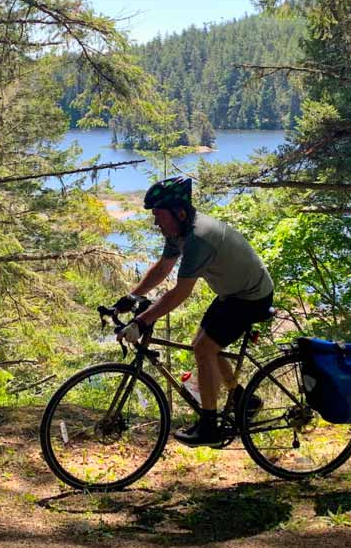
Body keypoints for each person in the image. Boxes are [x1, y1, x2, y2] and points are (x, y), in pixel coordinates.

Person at [115, 176, 274, 446]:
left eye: (159, 215)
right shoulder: (179, 230)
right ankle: (243, 399)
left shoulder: (199, 238)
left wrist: (141, 322)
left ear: (179, 212)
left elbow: (180, 292)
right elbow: (163, 267)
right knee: (203, 344)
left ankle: (209, 428)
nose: (156, 223)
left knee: (204, 349)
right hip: (232, 293)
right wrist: (133, 295)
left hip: (250, 297)